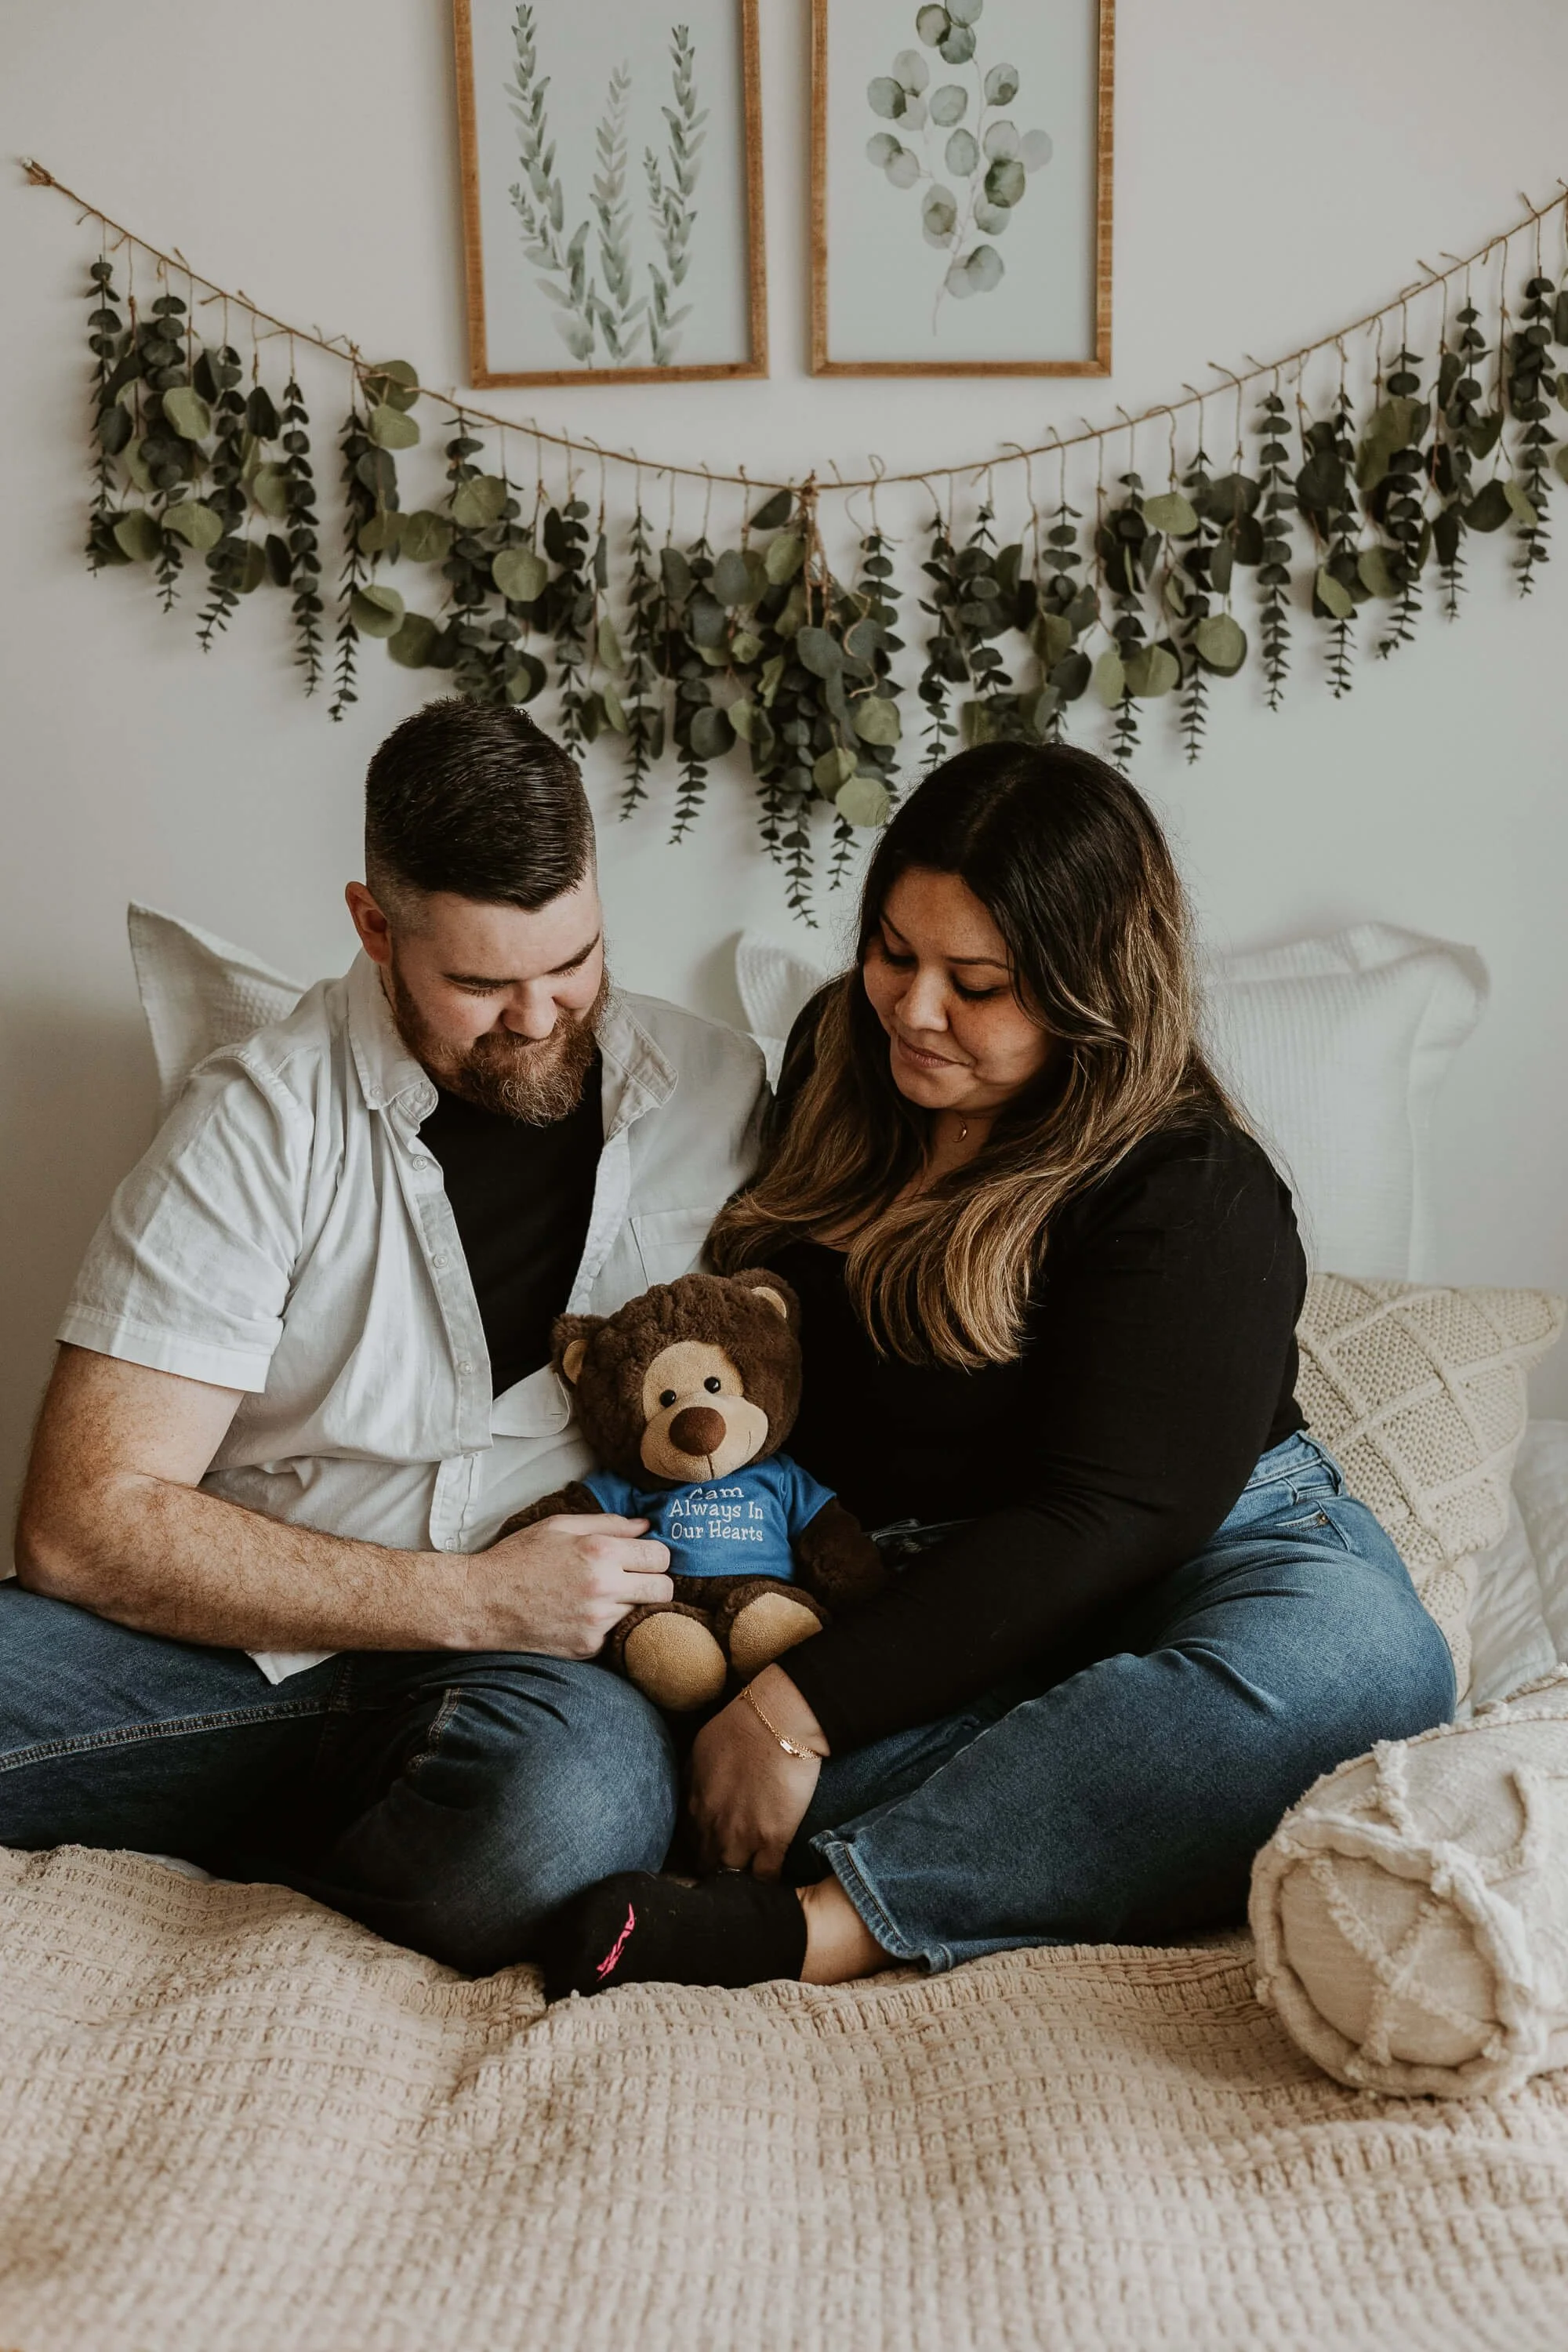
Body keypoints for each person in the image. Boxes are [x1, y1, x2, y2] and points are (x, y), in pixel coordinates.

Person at [539, 742, 1457, 2001]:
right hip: (921, 1583)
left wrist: (796, 1710)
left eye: (978, 983)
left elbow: (1113, 1515)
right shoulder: (842, 1059)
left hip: (1206, 1555)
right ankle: (1076, 1817)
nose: (913, 1009)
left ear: (1090, 991)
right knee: (654, 1763)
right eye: (894, 952)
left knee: (1367, 1677)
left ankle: (812, 1931)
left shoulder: (1192, 1188)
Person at [5, 699, 765, 1975]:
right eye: (479, 982)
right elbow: (81, 1519)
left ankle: (264, 1828)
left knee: (550, 1834)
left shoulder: (726, 1093)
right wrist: (466, 1597)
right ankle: (308, 1821)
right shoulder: (256, 1120)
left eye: (571, 961)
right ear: (373, 927)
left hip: (549, 1678)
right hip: (234, 1642)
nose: (537, 1016)